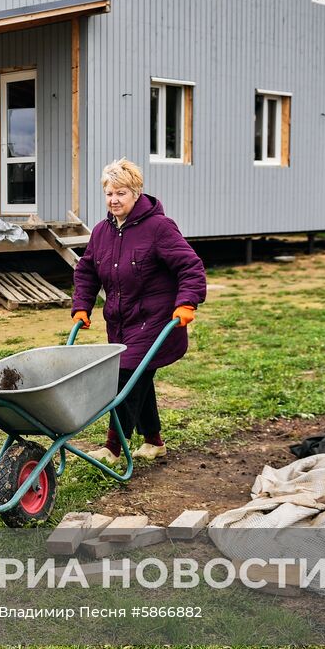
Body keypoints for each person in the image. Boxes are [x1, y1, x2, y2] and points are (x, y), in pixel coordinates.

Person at [71, 158, 206, 464]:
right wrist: (82, 306)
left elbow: (190, 266)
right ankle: (154, 441)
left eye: (121, 193)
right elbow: (87, 271)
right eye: (109, 193)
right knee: (138, 378)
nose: (114, 200)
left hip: (156, 322)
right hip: (121, 323)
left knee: (125, 378)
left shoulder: (159, 227)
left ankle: (112, 448)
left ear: (136, 193)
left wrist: (187, 302)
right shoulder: (102, 232)